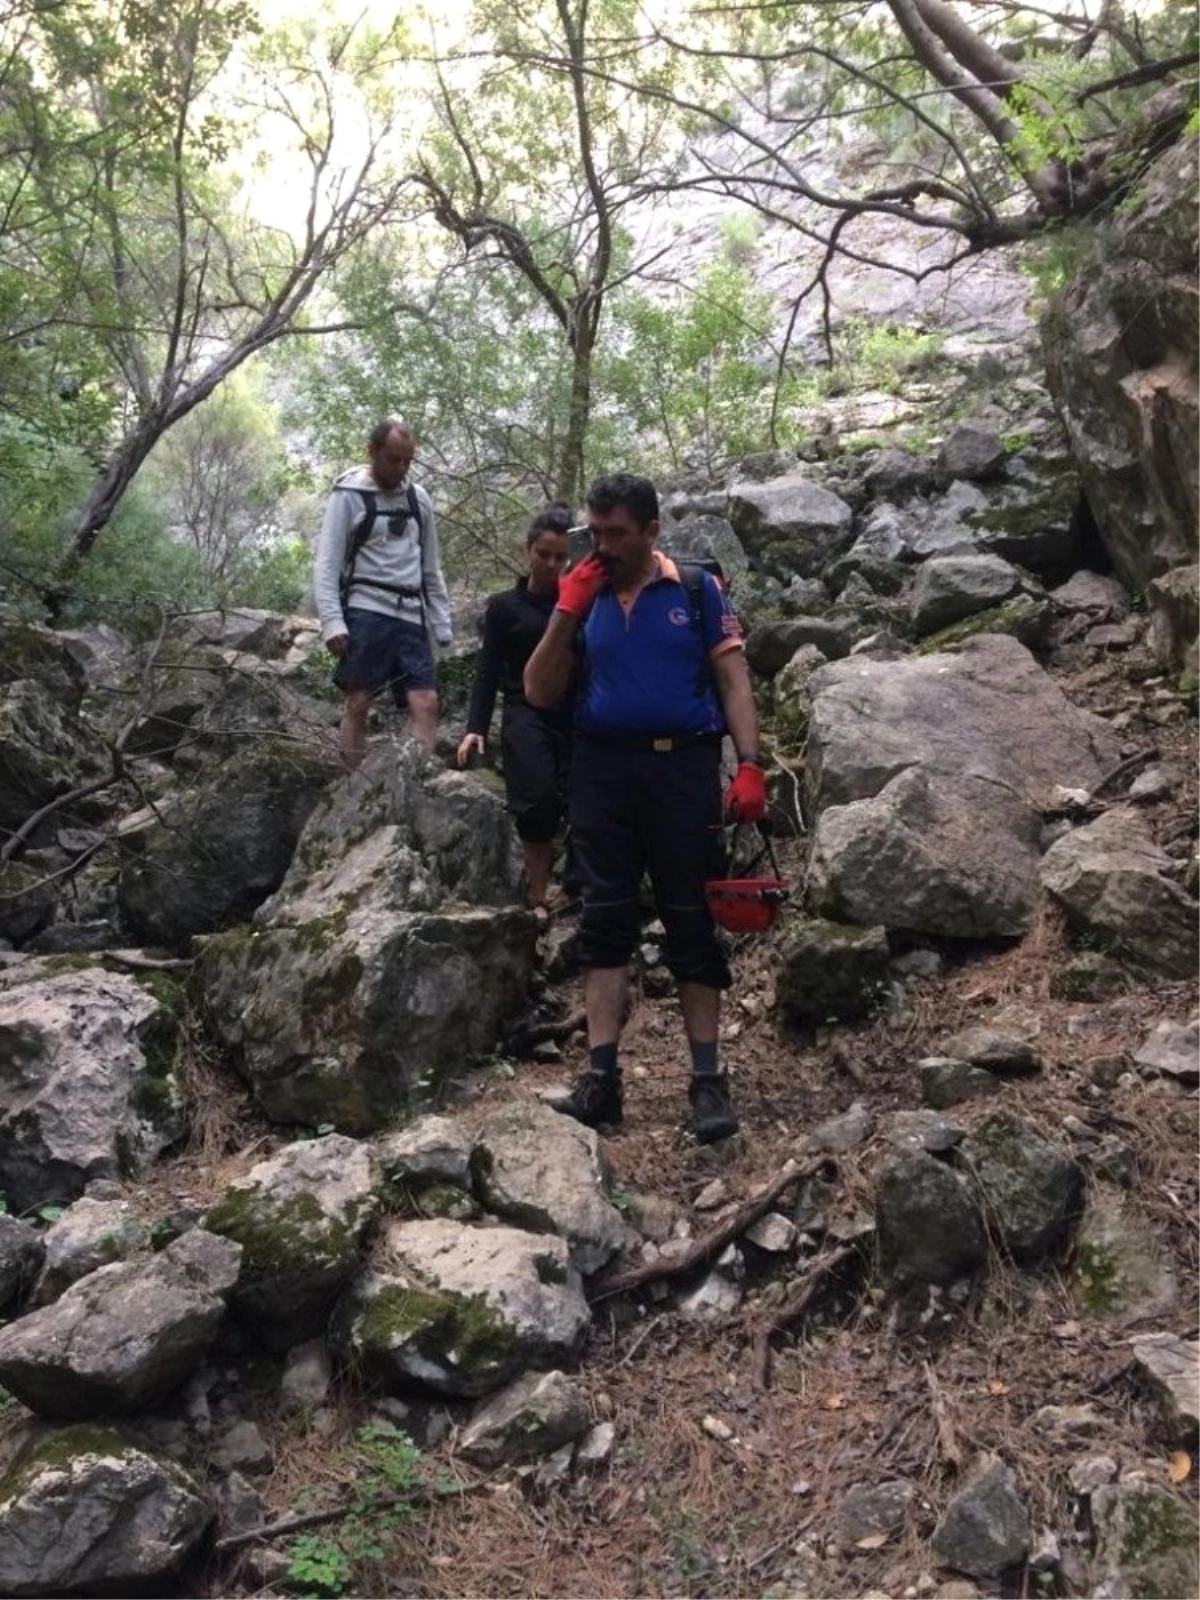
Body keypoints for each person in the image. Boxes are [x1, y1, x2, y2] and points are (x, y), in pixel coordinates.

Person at [524, 472, 766, 1144]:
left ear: (652, 531)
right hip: (603, 768)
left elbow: (733, 681)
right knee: (604, 918)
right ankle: (600, 1079)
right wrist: (566, 611)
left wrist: (749, 764)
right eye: (594, 533)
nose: (602, 547)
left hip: (683, 767)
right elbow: (539, 692)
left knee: (691, 917)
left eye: (617, 534)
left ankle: (707, 1080)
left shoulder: (696, 589)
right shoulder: (584, 593)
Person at [313, 419, 452, 765]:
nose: (402, 468)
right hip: (366, 608)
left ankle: (416, 783)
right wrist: (332, 622)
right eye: (394, 459)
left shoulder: (418, 500)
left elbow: (430, 565)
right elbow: (328, 563)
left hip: (410, 612)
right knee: (358, 700)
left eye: (408, 460)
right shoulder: (348, 495)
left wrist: (441, 622)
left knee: (426, 701)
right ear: (372, 452)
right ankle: (353, 790)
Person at [457, 504, 574, 912]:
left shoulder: (579, 602)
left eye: (561, 557)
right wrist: (476, 725)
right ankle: (538, 896)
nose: (552, 564)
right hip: (525, 711)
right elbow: (488, 670)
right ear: (528, 550)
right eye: (544, 555)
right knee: (537, 799)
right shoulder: (505, 607)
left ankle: (578, 886)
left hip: (576, 710)